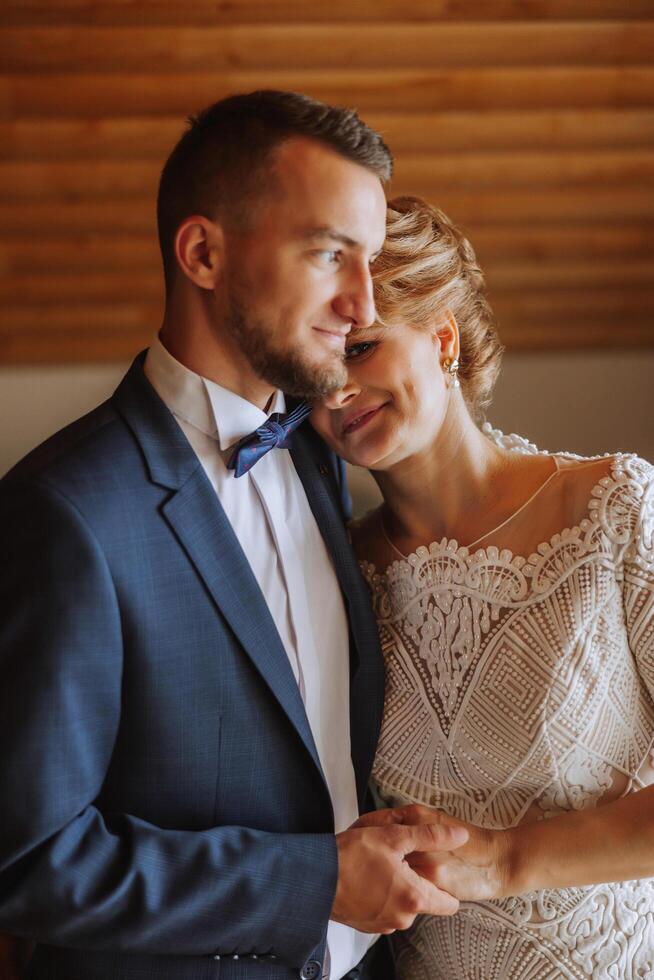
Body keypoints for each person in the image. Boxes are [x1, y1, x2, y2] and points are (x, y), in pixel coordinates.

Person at [0, 96, 469, 980]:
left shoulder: (323, 462)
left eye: (367, 261)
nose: (362, 301)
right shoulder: (65, 514)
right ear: (204, 253)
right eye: (330, 253)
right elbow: (28, 861)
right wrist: (314, 883)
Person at [311, 195, 654, 979]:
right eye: (316, 375)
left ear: (441, 339)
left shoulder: (614, 511)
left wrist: (503, 861)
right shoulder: (340, 573)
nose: (334, 396)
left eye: (361, 350)